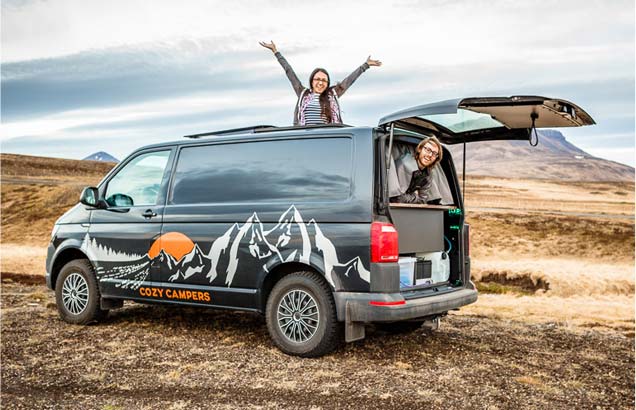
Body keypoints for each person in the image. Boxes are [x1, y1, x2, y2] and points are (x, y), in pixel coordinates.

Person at [259, 40, 381, 126]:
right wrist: (276, 52)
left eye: (324, 80)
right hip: (306, 137)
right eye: (318, 79)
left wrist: (365, 65)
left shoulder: (332, 94)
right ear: (312, 80)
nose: (320, 83)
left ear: (327, 83)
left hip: (326, 138)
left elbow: (349, 80)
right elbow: (289, 72)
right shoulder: (303, 93)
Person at [390, 136, 446, 205]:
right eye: (428, 150)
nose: (430, 155)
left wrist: (412, 197)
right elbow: (397, 198)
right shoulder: (404, 164)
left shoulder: (428, 173)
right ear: (420, 149)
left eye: (434, 154)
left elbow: (423, 200)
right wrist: (416, 196)